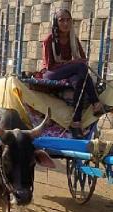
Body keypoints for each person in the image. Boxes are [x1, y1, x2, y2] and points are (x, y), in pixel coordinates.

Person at [41, 9, 103, 138]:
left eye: (68, 20)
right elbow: (49, 65)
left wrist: (75, 64)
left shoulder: (73, 38)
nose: (65, 23)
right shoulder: (49, 39)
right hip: (52, 73)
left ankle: (76, 122)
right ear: (56, 23)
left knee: (79, 81)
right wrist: (71, 63)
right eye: (61, 20)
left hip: (70, 71)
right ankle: (96, 102)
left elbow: (83, 60)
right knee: (79, 67)